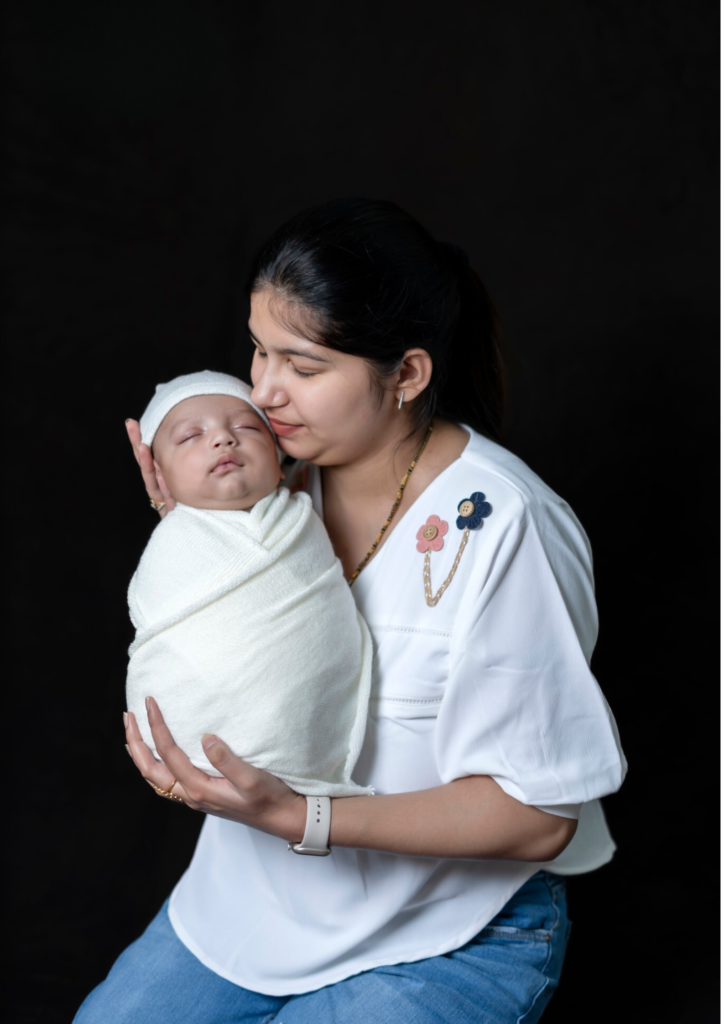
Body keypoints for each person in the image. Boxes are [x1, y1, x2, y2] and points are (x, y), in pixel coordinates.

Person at [75, 198, 627, 1023]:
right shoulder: (264, 481)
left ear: (406, 375)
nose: (263, 390)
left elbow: (540, 815)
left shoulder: (502, 525)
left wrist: (297, 815)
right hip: (253, 905)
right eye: (259, 350)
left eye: (303, 365)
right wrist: (201, 538)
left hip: (447, 928)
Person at [126, 370, 372, 797]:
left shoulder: (300, 516)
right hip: (202, 741)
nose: (223, 440)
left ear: (279, 460)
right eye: (189, 437)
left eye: (245, 427)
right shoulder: (173, 544)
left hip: (309, 732)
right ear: (160, 477)